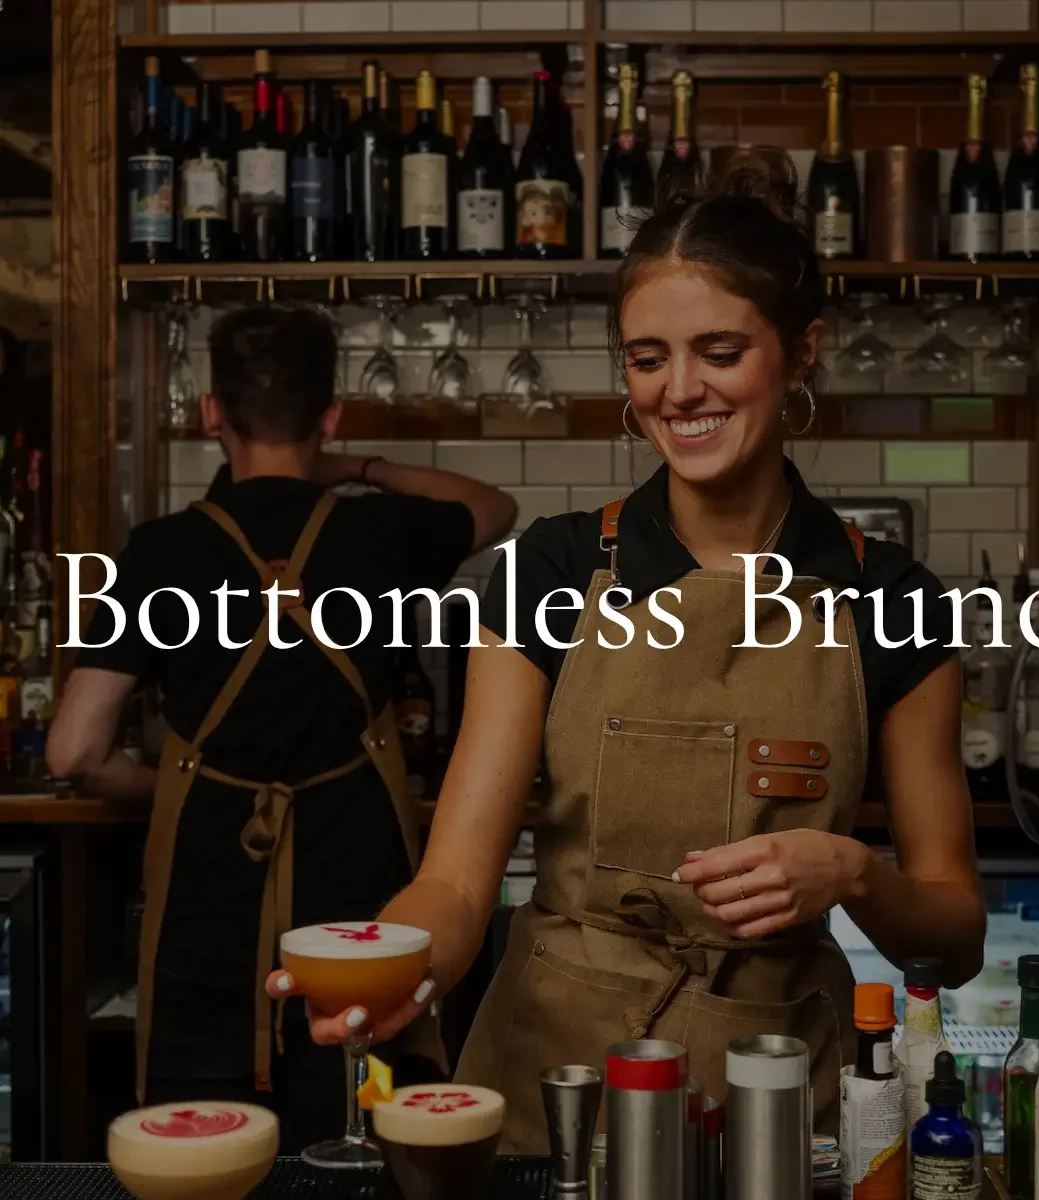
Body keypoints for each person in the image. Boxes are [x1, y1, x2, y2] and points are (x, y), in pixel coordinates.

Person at [269, 152, 988, 1153]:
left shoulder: (889, 596)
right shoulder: (548, 571)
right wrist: (401, 968)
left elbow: (955, 937)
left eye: (720, 351)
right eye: (647, 358)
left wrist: (852, 874)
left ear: (803, 350)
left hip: (773, 1102)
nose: (679, 391)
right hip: (551, 1088)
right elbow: (460, 884)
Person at [47, 307, 516, 1153]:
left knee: (205, 1136)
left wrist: (181, 783)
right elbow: (493, 505)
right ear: (329, 416)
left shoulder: (163, 550)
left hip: (208, 898)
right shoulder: (381, 529)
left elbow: (72, 752)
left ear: (210, 414)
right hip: (361, 894)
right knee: (366, 1116)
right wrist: (356, 467)